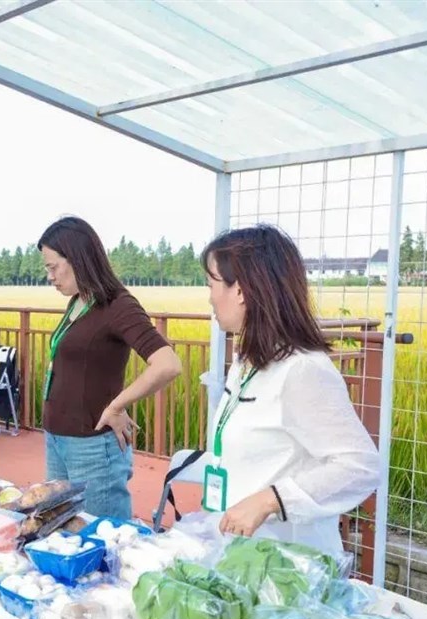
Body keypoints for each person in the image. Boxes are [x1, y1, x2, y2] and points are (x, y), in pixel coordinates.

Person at [202, 224, 379, 554]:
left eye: (211, 283)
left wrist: (270, 500)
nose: (209, 296)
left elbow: (360, 466)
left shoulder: (302, 370)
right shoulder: (247, 362)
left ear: (240, 290)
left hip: (290, 567)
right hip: (243, 556)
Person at [38, 217, 182, 519]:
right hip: (57, 437)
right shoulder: (78, 301)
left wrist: (117, 406)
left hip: (92, 447)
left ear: (77, 259)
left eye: (53, 267)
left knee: (103, 542)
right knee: (63, 534)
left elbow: (167, 364)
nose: (49, 276)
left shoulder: (119, 305)